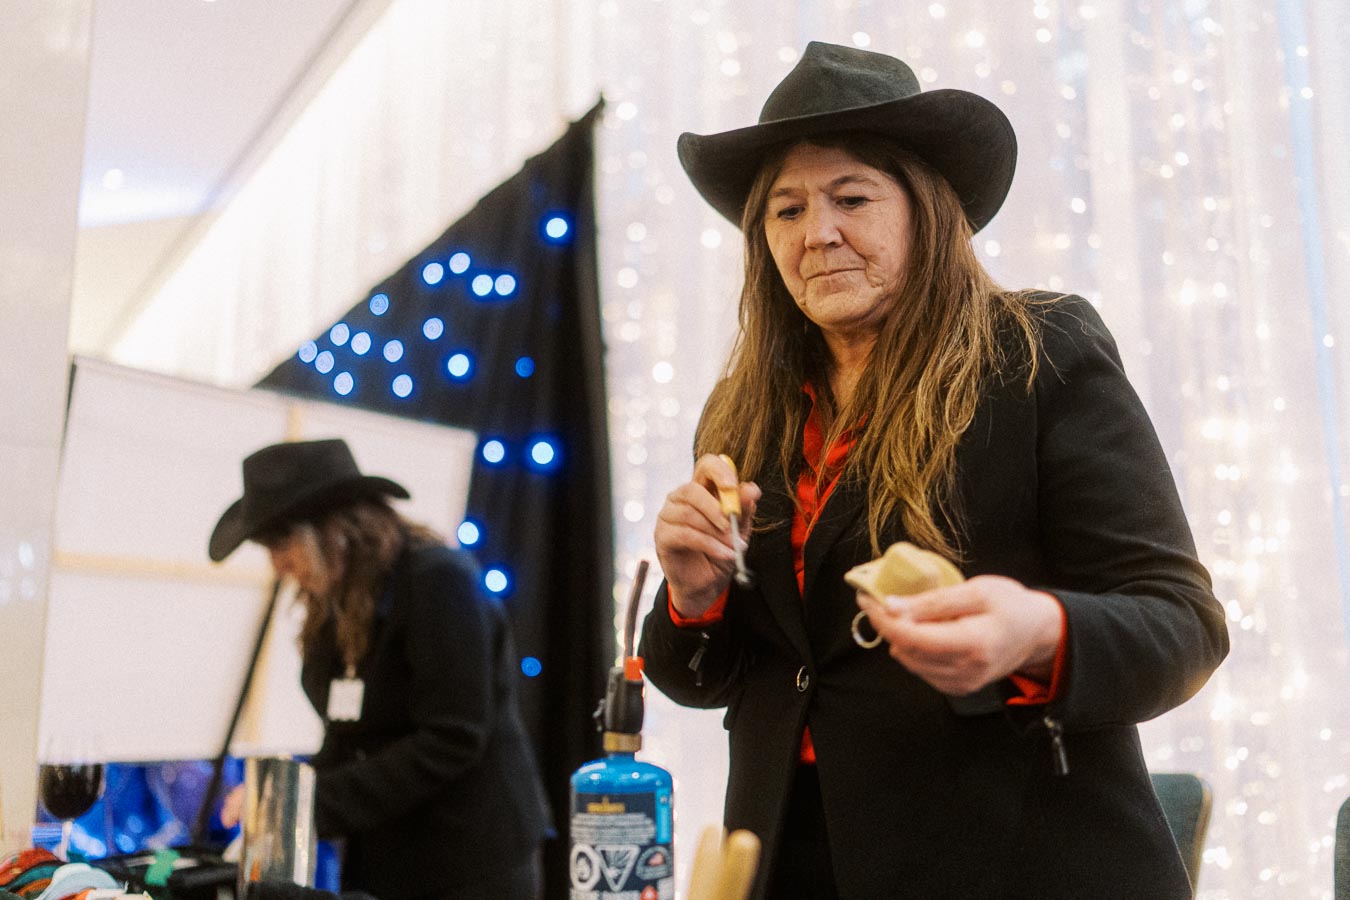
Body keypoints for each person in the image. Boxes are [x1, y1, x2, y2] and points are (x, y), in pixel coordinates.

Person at [641, 41, 1229, 899]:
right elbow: (722, 678)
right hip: (792, 862)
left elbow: (1183, 624)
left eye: (851, 197)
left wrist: (1037, 633)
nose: (819, 234)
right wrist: (694, 601)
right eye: (787, 210)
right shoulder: (744, 408)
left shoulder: (1036, 353)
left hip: (1011, 864)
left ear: (926, 210)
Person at [209, 438, 550, 900]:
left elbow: (452, 739)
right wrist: (280, 802)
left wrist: (311, 804)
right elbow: (348, 734)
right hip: (388, 858)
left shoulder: (437, 581)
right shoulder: (333, 600)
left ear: (335, 528)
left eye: (281, 541)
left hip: (467, 858)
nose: (277, 563)